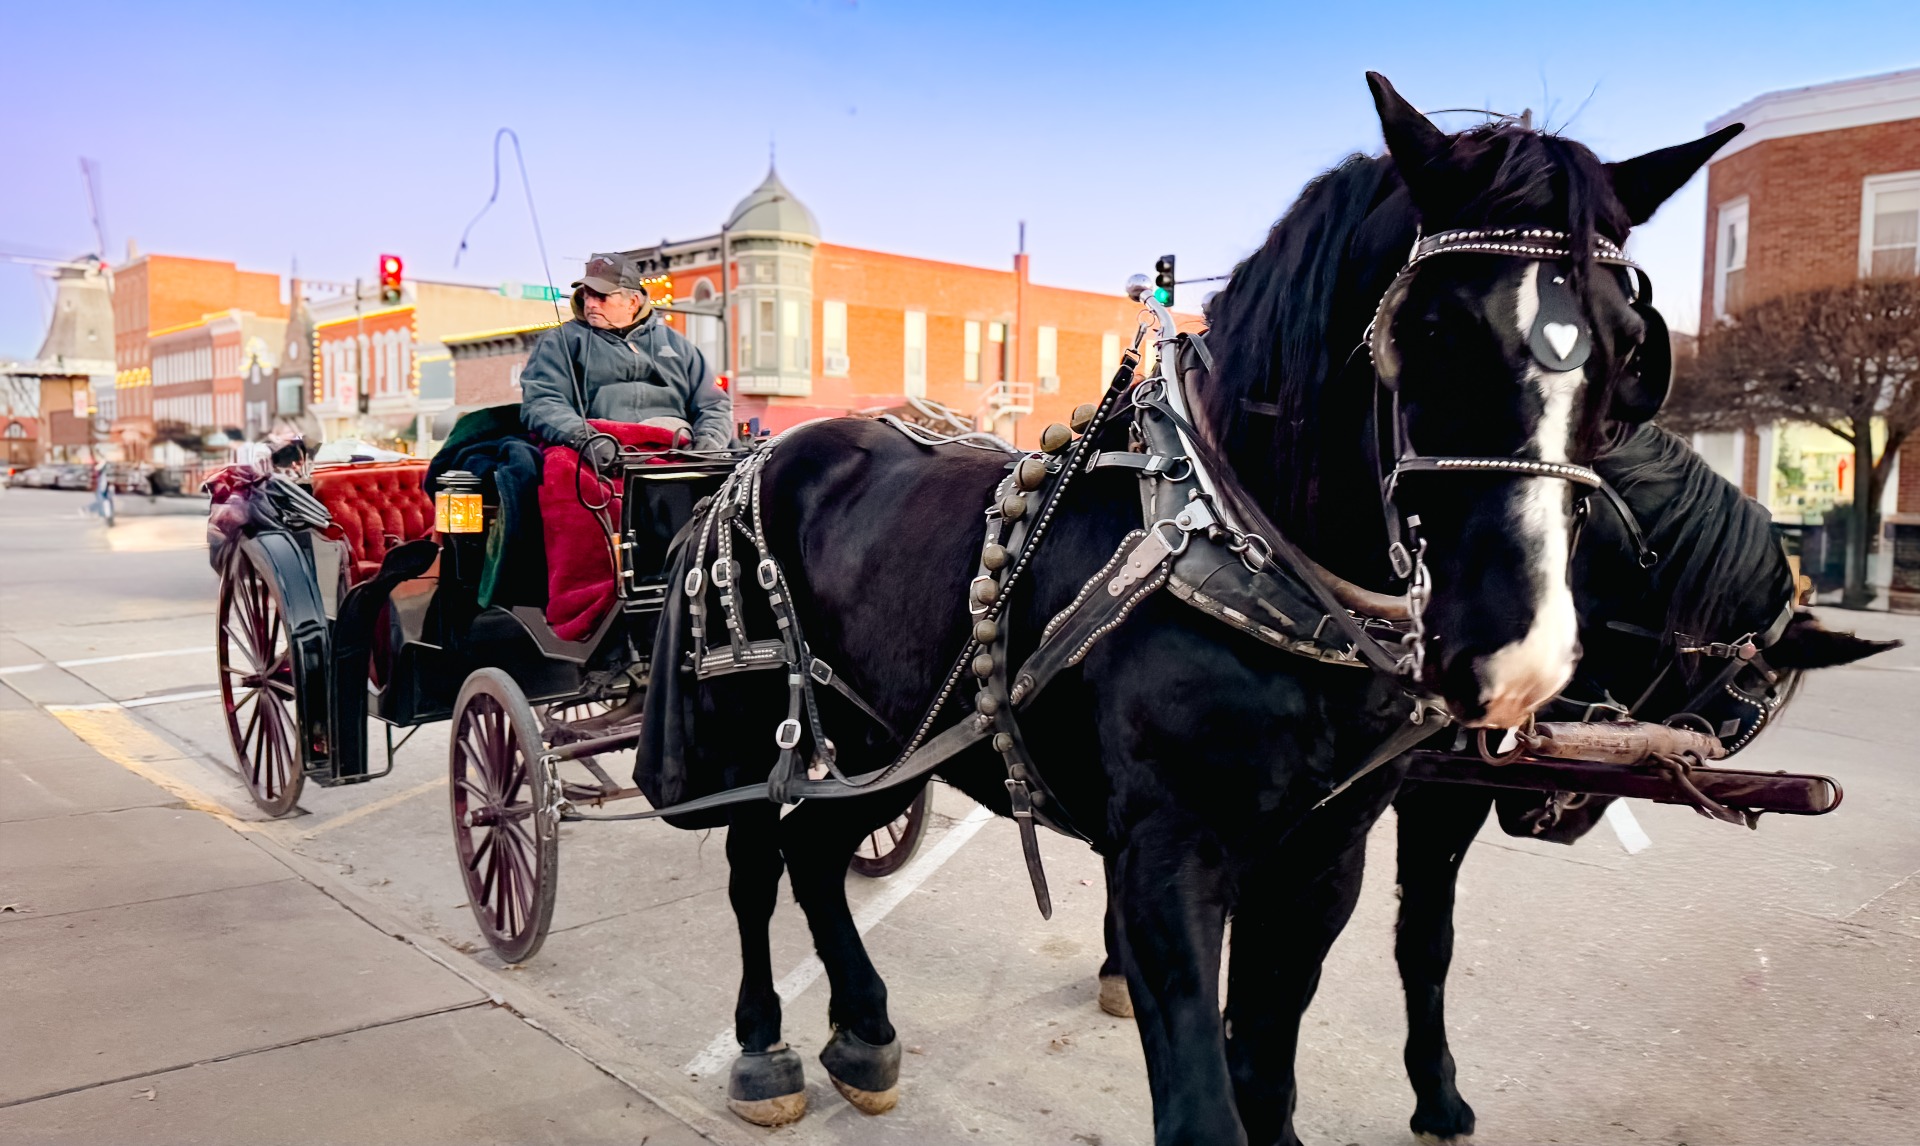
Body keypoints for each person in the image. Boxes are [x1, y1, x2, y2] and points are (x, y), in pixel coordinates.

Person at [520, 252, 732, 467]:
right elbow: (542, 400)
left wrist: (710, 441)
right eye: (587, 294)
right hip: (599, 452)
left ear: (632, 302)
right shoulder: (561, 341)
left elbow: (713, 404)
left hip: (676, 450)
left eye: (601, 296)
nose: (591, 303)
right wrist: (583, 438)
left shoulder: (677, 345)